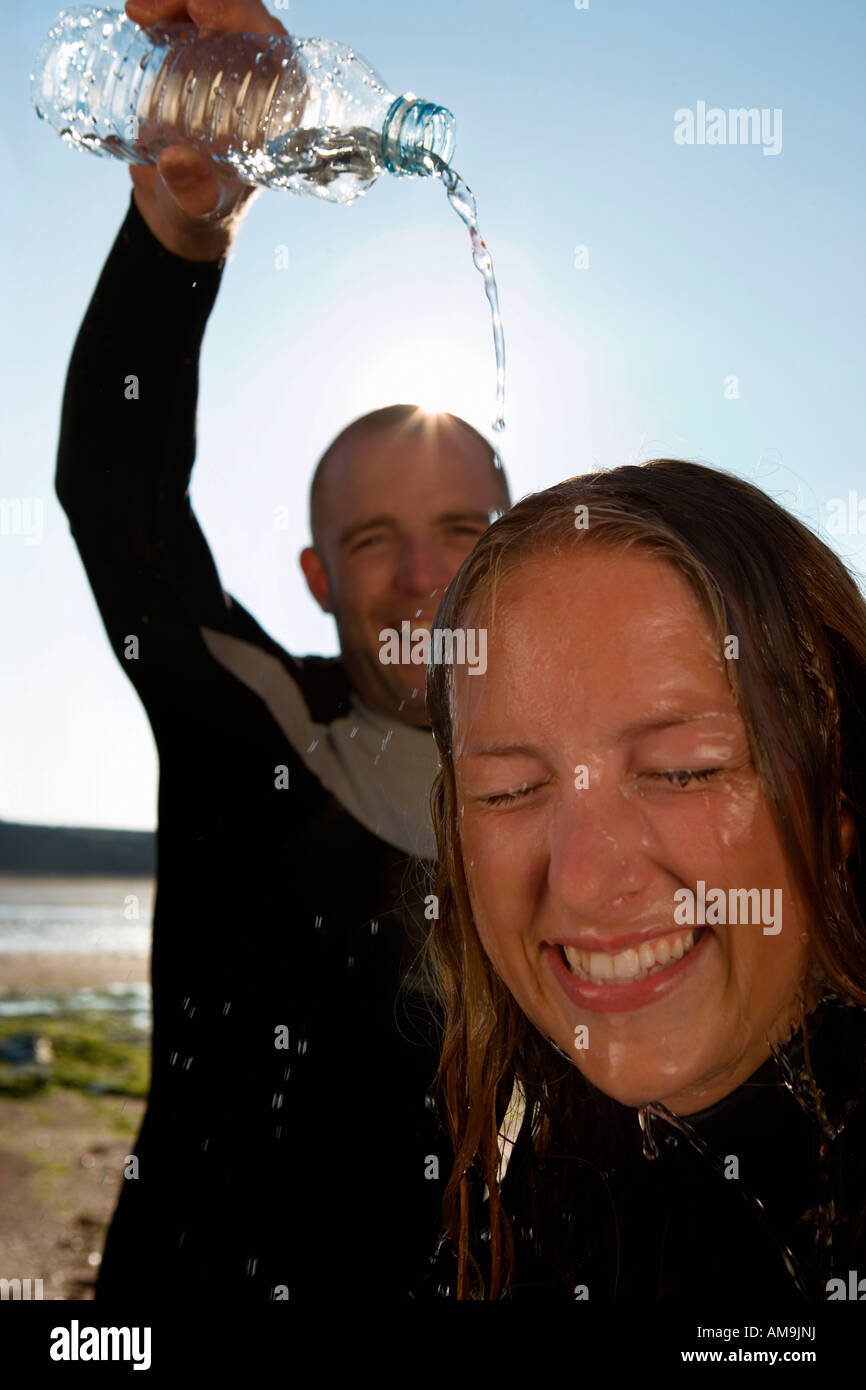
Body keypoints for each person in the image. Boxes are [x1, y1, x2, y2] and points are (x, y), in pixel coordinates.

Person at [55, 0, 510, 1300]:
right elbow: (117, 495)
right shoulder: (251, 723)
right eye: (372, 539)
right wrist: (184, 218)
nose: (422, 574)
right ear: (315, 576)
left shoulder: (598, 785)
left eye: (460, 528)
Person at [421, 459, 866, 1300]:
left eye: (683, 770)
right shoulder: (525, 1191)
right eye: (509, 791)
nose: (584, 881)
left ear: (839, 796)